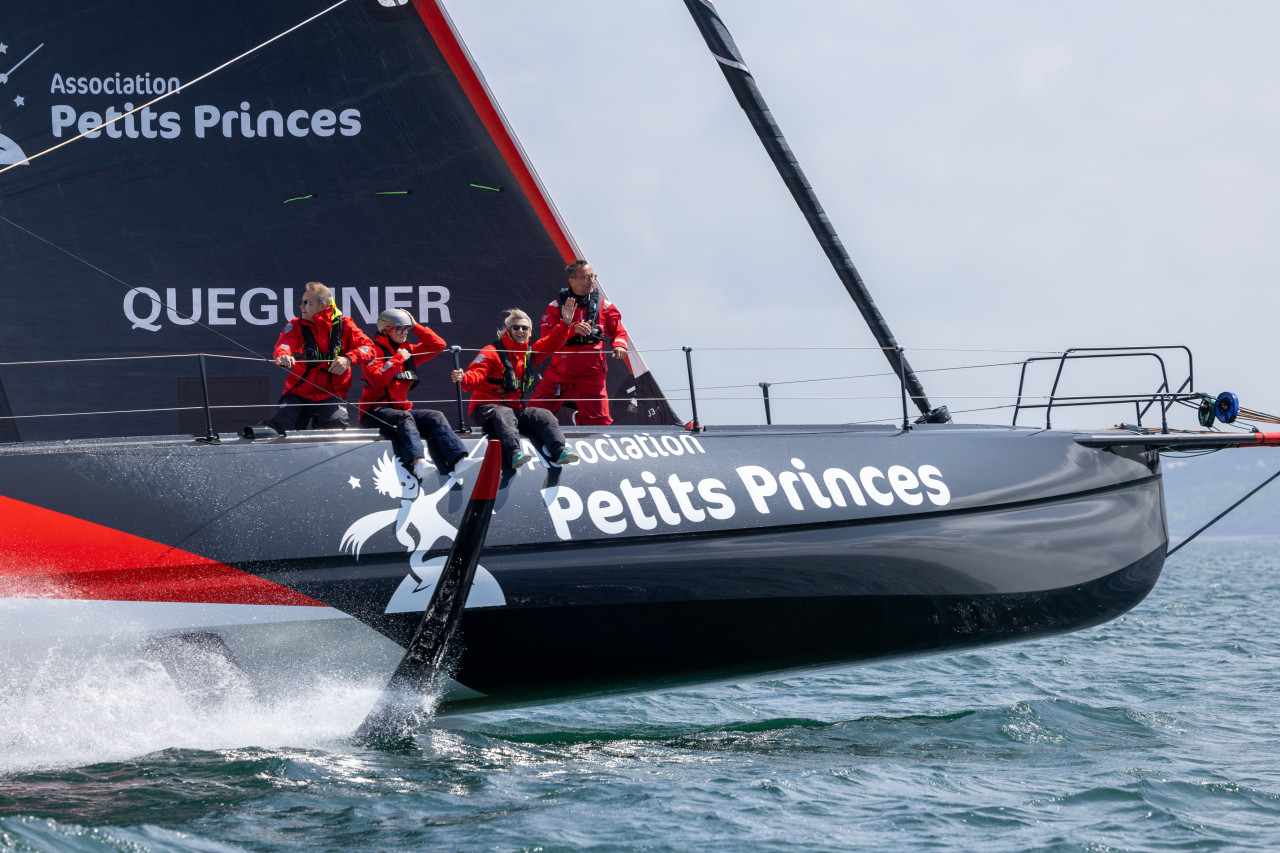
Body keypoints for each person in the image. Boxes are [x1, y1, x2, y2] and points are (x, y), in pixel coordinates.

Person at [451, 303, 581, 470]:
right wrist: (464, 378)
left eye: (524, 328)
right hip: (484, 410)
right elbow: (475, 375)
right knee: (504, 413)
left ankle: (560, 451)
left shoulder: (529, 354)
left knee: (543, 414)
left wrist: (566, 323)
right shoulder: (492, 352)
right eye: (516, 327)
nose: (520, 330)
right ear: (508, 331)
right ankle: (514, 454)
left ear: (530, 333)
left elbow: (552, 342)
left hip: (513, 412)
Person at [358, 308, 473, 480]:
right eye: (399, 329)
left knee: (435, 416)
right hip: (373, 413)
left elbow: (438, 345)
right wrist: (397, 359)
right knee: (404, 417)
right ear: (385, 330)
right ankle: (418, 462)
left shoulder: (408, 351)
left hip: (400, 411)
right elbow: (377, 379)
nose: (405, 332)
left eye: (406, 328)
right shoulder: (372, 351)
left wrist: (415, 325)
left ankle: (460, 459)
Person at [528, 259, 629, 426]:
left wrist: (619, 345)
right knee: (534, 413)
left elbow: (619, 331)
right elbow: (547, 339)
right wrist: (571, 329)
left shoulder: (605, 306)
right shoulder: (555, 307)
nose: (591, 281)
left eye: (593, 276)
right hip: (560, 374)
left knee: (599, 423)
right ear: (571, 281)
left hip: (592, 375)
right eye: (585, 277)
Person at [265, 282, 374, 433]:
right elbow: (284, 343)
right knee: (282, 425)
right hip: (299, 392)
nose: (301, 306)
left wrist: (348, 359)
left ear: (322, 306)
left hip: (332, 394)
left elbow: (368, 348)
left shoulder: (345, 324)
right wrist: (283, 355)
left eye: (307, 303)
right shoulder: (295, 324)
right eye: (301, 302)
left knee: (336, 427)